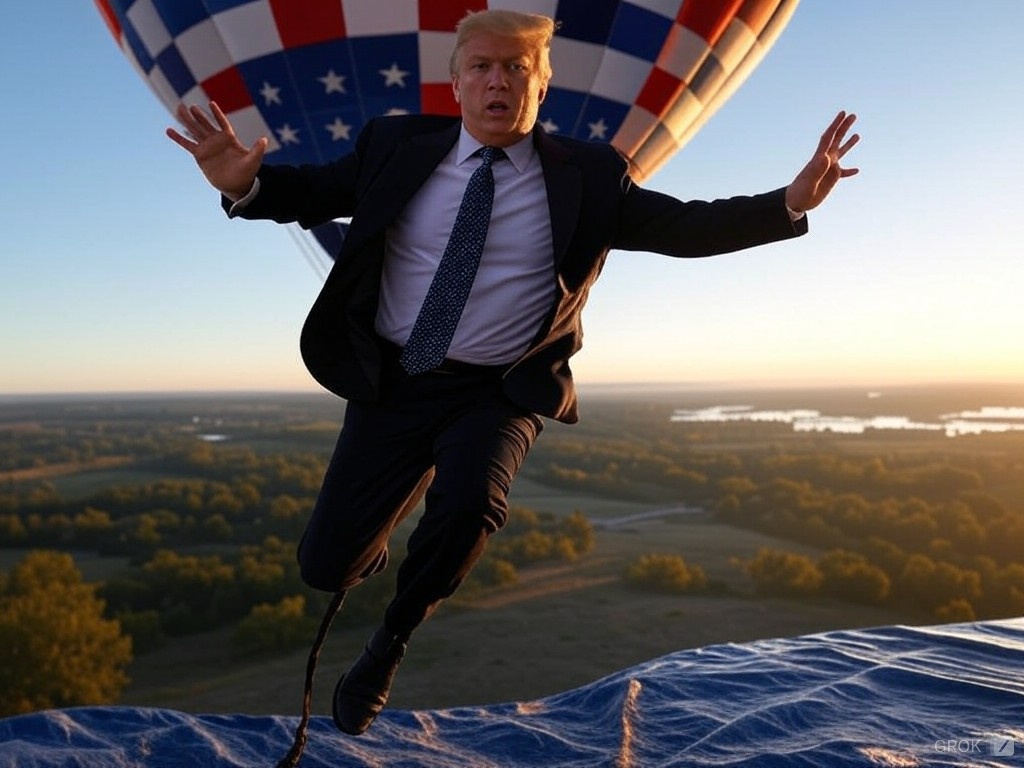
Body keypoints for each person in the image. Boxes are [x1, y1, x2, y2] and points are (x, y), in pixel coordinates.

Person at [168, 7, 859, 762]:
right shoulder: (393, 145)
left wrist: (788, 203)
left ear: (542, 84)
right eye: (483, 68)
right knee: (324, 565)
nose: (499, 81)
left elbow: (683, 227)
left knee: (470, 503)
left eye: (516, 69)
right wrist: (247, 186)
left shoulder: (590, 175)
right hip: (395, 382)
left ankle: (390, 641)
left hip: (500, 390)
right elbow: (307, 189)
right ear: (457, 82)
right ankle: (379, 518)